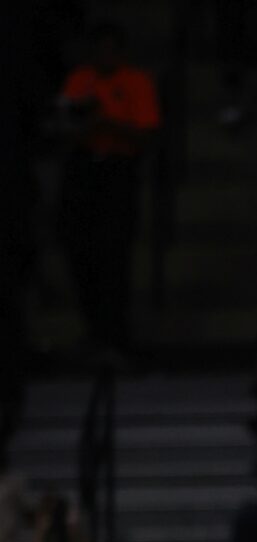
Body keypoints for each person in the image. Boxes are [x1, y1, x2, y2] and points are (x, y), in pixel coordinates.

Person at [54, 24, 160, 353]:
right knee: (81, 252)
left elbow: (146, 133)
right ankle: (93, 332)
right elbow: (64, 124)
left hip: (118, 170)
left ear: (122, 52)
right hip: (84, 167)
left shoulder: (136, 82)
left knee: (114, 256)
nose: (105, 56)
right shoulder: (80, 80)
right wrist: (82, 123)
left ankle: (116, 338)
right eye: (99, 49)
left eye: (111, 49)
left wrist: (107, 123)